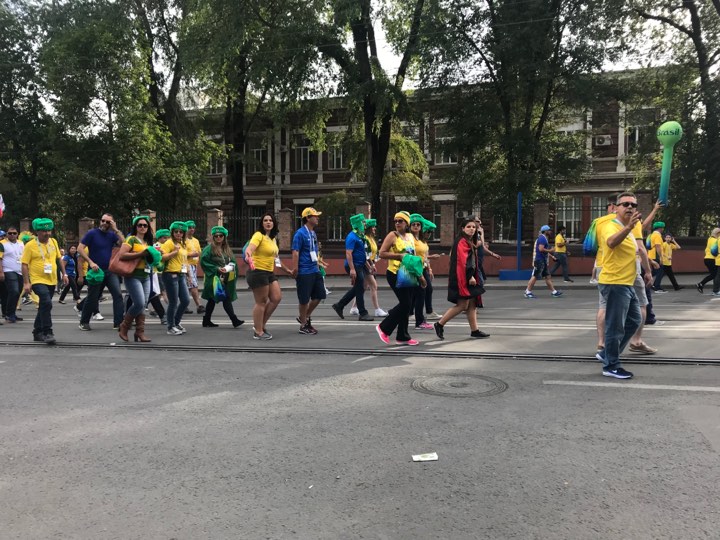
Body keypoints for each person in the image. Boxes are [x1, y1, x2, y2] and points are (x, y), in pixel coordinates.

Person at [596, 192, 648, 379]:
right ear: (615, 207)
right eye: (625, 204)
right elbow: (611, 242)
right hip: (614, 282)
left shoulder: (629, 229)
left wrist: (647, 267)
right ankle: (611, 366)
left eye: (633, 205)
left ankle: (607, 353)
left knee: (634, 320)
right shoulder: (610, 225)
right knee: (615, 327)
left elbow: (635, 251)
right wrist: (628, 227)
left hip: (627, 282)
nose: (630, 207)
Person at [433, 218, 490, 341]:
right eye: (468, 227)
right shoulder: (462, 241)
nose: (472, 229)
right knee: (462, 305)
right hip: (462, 277)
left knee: (472, 304)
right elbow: (462, 261)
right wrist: (470, 276)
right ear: (463, 228)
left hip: (468, 276)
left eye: (473, 227)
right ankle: (439, 324)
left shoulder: (468, 241)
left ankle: (475, 330)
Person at [376, 211, 426, 346]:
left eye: (400, 221)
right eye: (395, 221)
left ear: (407, 223)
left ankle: (403, 336)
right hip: (395, 273)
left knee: (407, 305)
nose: (397, 223)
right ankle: (384, 328)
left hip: (409, 273)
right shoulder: (393, 235)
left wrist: (420, 275)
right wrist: (399, 256)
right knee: (405, 304)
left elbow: (413, 258)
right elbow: (382, 253)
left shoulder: (410, 236)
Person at [21, 218, 68, 344]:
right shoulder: (30, 245)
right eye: (43, 231)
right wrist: (26, 282)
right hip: (37, 280)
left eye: (48, 231)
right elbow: (24, 264)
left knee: (44, 305)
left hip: (52, 280)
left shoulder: (53, 241)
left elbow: (59, 259)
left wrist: (64, 274)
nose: (47, 233)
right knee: (47, 302)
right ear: (37, 232)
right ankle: (48, 332)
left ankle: (37, 332)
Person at [244, 214, 292, 338]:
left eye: (270, 220)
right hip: (257, 272)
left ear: (274, 223)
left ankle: (261, 324)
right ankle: (258, 332)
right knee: (261, 302)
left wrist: (288, 271)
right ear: (262, 223)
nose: (268, 222)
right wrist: (248, 255)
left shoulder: (272, 239)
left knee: (276, 298)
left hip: (269, 272)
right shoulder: (258, 235)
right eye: (265, 220)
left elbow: (276, 259)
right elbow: (250, 248)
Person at [77, 213, 125, 330]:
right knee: (93, 297)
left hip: (110, 270)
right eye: (103, 220)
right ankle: (84, 322)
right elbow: (80, 248)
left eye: (108, 222)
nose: (104, 223)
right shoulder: (92, 233)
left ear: (111, 223)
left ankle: (118, 323)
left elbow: (124, 244)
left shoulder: (112, 235)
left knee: (118, 295)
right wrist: (90, 262)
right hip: (96, 271)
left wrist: (116, 230)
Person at [116, 216, 154, 343]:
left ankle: (140, 332)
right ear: (135, 227)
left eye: (145, 225)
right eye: (140, 225)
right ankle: (124, 326)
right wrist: (140, 254)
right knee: (139, 303)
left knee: (143, 305)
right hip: (132, 276)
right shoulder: (131, 239)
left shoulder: (147, 242)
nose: (142, 227)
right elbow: (122, 255)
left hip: (146, 276)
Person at [332, 214, 374, 322]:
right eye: (362, 222)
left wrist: (369, 266)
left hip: (360, 265)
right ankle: (363, 313)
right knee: (360, 288)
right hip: (354, 266)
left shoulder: (360, 236)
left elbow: (363, 254)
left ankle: (339, 305)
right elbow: (348, 253)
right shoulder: (352, 237)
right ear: (357, 224)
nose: (364, 224)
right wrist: (352, 269)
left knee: (359, 288)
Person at [201, 226, 245, 329]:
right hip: (214, 278)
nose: (218, 237)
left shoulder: (227, 249)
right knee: (226, 298)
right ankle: (234, 320)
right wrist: (216, 268)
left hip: (225, 278)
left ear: (224, 237)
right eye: (216, 236)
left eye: (221, 235)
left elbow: (233, 261)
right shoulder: (209, 249)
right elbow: (204, 262)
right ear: (213, 237)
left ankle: (206, 320)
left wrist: (230, 267)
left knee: (212, 299)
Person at [290, 207, 326, 335]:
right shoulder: (300, 233)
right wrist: (295, 269)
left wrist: (319, 263)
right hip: (304, 271)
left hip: (314, 269)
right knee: (304, 299)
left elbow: (314, 251)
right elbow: (295, 252)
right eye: (315, 216)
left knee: (320, 295)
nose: (317, 218)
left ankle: (304, 317)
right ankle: (303, 325)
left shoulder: (313, 233)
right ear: (308, 218)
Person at [349, 219, 388, 317]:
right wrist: (370, 265)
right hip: (366, 264)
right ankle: (377, 309)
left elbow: (373, 253)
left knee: (363, 286)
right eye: (373, 227)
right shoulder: (365, 238)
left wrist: (375, 261)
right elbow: (365, 255)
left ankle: (354, 308)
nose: (375, 229)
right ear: (369, 228)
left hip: (370, 263)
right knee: (373, 285)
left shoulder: (371, 238)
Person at [160, 221, 191, 335]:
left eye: (181, 232)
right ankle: (170, 326)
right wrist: (174, 252)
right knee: (173, 302)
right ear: (172, 232)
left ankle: (176, 322)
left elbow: (184, 260)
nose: (178, 233)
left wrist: (189, 275)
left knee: (186, 300)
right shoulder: (169, 243)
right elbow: (161, 257)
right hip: (170, 274)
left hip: (181, 274)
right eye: (176, 231)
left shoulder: (182, 244)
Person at [409, 213, 434, 330]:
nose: (415, 226)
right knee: (417, 294)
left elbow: (424, 256)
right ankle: (419, 321)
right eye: (413, 224)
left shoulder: (421, 240)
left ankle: (419, 319)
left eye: (418, 224)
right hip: (414, 269)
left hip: (422, 268)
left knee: (419, 294)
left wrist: (429, 268)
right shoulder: (409, 239)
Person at [524, 225, 562, 298]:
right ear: (545, 231)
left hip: (543, 261)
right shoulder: (542, 238)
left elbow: (543, 250)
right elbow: (541, 249)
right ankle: (528, 292)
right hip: (540, 260)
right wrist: (550, 250)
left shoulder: (543, 238)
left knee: (547, 276)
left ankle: (554, 292)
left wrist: (551, 255)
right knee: (535, 276)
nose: (550, 232)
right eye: (549, 230)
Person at [0, 227, 24, 323]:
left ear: (17, 234)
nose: (12, 235)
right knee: (14, 291)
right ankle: (9, 314)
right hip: (8, 270)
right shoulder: (2, 244)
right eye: (10, 233)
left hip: (20, 271)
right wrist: (1, 272)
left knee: (17, 293)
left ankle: (11, 313)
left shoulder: (21, 243)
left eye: (14, 233)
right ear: (7, 234)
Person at [184, 220, 205, 314]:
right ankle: (199, 305)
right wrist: (190, 254)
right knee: (193, 285)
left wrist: (198, 254)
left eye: (193, 227)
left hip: (194, 265)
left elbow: (199, 252)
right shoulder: (183, 240)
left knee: (186, 286)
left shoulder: (195, 240)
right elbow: (180, 253)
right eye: (189, 227)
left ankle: (184, 306)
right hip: (186, 265)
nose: (192, 229)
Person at [696, 228, 719, 293]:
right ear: (717, 233)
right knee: (715, 275)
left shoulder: (710, 239)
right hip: (712, 259)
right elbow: (714, 251)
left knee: (714, 274)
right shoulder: (715, 240)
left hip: (707, 259)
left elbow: (706, 250)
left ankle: (701, 284)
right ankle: (702, 284)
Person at [648, 221, 665, 292]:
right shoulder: (657, 236)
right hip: (656, 256)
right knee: (661, 271)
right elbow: (658, 246)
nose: (663, 229)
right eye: (662, 228)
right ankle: (656, 286)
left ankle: (650, 283)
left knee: (654, 271)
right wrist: (661, 257)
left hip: (651, 255)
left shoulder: (651, 235)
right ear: (660, 228)